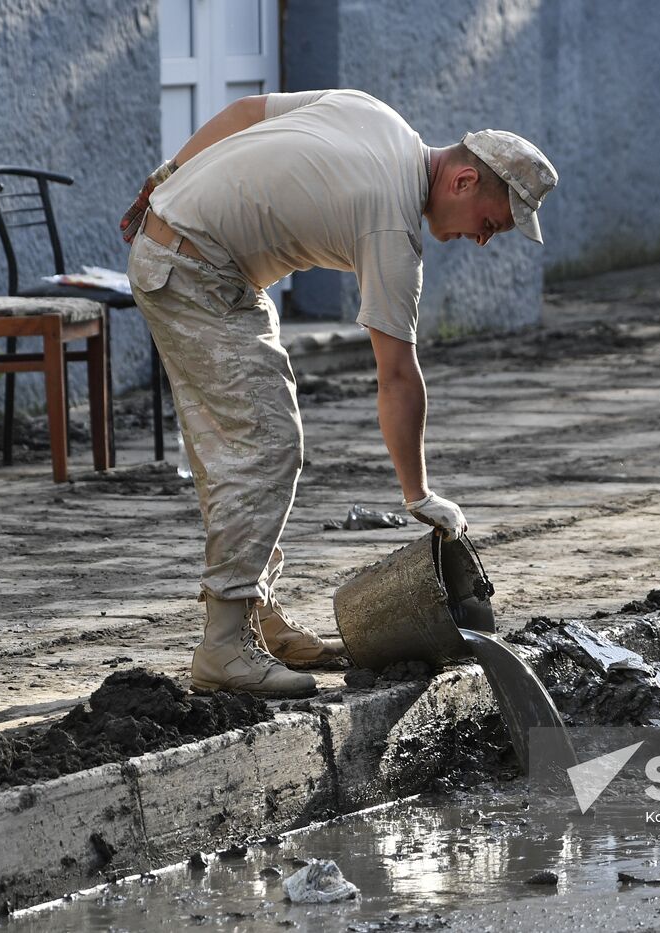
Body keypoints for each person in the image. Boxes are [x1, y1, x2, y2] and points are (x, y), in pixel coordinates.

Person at [121, 89, 557, 699]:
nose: (484, 239)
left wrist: (167, 177)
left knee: (261, 438)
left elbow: (248, 110)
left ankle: (258, 617)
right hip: (192, 269)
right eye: (492, 223)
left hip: (202, 262)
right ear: (463, 180)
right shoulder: (390, 223)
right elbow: (397, 375)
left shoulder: (375, 115)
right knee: (264, 446)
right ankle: (223, 647)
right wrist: (419, 492)